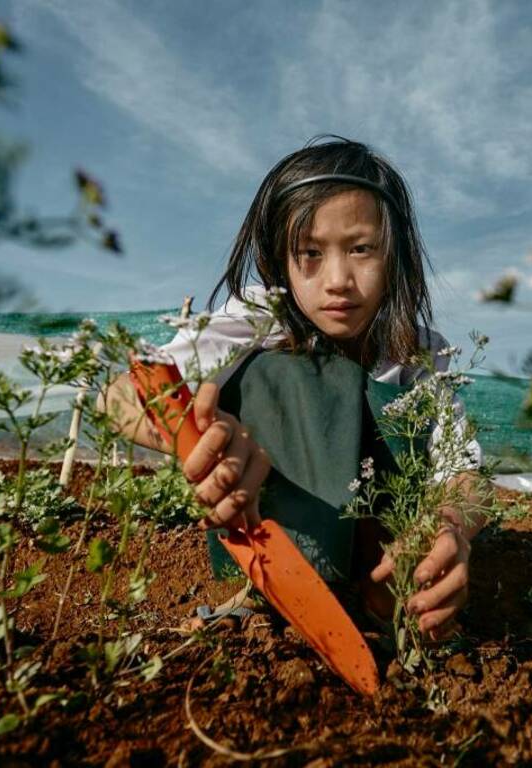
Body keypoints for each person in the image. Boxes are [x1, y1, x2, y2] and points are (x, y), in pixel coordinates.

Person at [103, 137, 484, 639]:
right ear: (279, 259)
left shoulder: (419, 353)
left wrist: (452, 526)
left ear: (394, 255)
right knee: (276, 370)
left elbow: (465, 472)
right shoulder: (260, 318)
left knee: (402, 414)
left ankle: (386, 599)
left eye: (361, 249)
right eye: (309, 252)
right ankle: (268, 591)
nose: (338, 280)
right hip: (278, 548)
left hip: (383, 566)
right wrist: (191, 437)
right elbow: (124, 392)